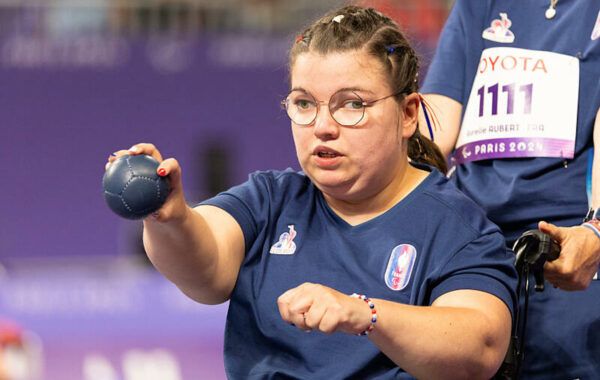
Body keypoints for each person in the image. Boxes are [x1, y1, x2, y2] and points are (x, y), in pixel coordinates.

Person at [107, 6, 518, 379]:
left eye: (351, 104)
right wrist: (171, 217)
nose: (323, 126)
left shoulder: (457, 227)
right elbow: (205, 271)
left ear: (408, 114)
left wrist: (365, 314)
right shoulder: (270, 200)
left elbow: (480, 346)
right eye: (304, 104)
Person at [420, 1, 600, 378]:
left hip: (569, 236)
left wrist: (597, 229)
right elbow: (434, 124)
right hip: (472, 236)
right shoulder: (479, 5)